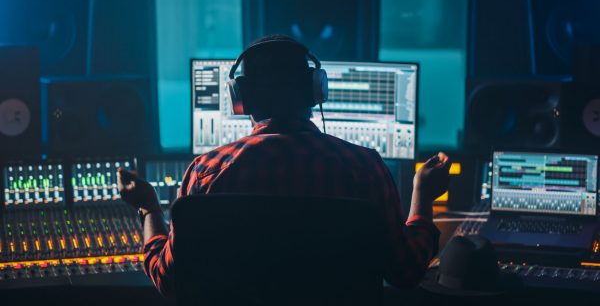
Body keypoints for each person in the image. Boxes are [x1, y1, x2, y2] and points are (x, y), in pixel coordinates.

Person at [117, 34, 451, 298]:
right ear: (316, 90)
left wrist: (148, 208)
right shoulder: (364, 168)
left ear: (240, 99)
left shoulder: (205, 173)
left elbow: (168, 280)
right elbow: (406, 272)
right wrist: (423, 195)